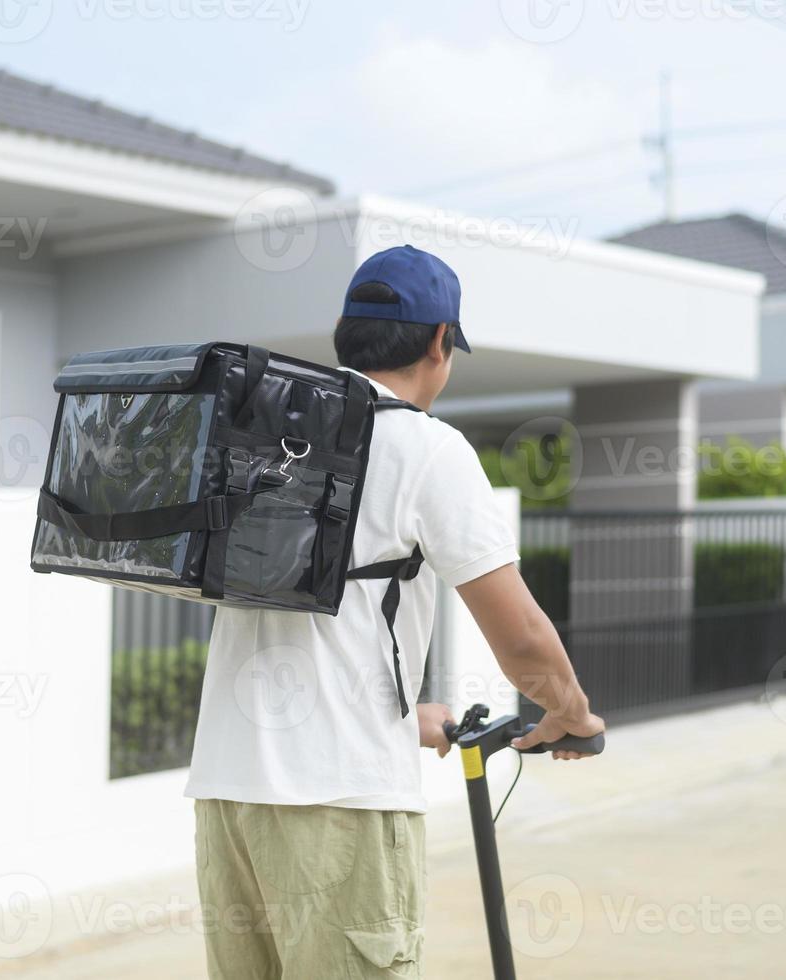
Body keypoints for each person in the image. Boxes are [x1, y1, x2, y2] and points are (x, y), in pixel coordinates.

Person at [184, 244, 605, 979]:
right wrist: (571, 711)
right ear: (440, 342)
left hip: (227, 795)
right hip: (341, 803)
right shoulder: (425, 449)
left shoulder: (265, 441)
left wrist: (405, 718)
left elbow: (297, 617)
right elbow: (524, 641)